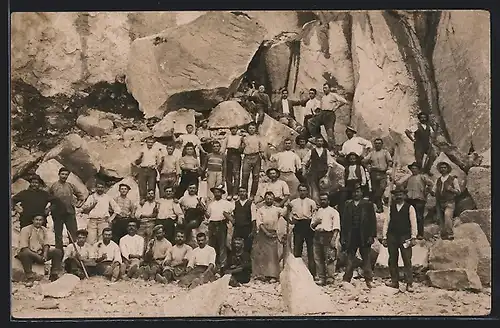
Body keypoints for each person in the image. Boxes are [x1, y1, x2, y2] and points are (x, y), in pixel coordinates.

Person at [340, 183, 377, 289]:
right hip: (351, 235)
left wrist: (371, 236)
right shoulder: (348, 205)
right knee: (350, 258)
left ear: (361, 193)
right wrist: (344, 237)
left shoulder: (368, 204)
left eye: (358, 191)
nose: (356, 194)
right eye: (354, 192)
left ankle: (369, 280)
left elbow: (372, 221)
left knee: (366, 258)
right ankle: (346, 279)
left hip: (364, 235)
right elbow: (344, 222)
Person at [381, 187, 418, 292]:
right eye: (396, 195)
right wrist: (384, 237)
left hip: (405, 236)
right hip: (392, 236)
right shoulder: (391, 207)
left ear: (404, 196)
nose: (398, 196)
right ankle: (394, 281)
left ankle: (409, 283)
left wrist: (413, 236)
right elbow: (386, 222)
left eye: (400, 194)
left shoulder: (410, 207)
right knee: (392, 259)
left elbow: (413, 223)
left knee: (407, 259)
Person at [48, 167, 86, 251]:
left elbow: (81, 196)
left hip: (69, 212)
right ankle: (59, 252)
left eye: (66, 175)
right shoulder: (54, 186)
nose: (64, 176)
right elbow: (47, 197)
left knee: (73, 233)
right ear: (59, 174)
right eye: (62, 174)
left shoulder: (70, 185)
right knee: (58, 234)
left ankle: (73, 251)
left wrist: (78, 205)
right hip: (57, 213)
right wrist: (49, 209)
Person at [252, 191, 286, 283]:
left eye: (271, 199)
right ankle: (262, 275)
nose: (269, 200)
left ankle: (272, 275)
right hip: (263, 233)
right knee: (262, 254)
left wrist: (289, 207)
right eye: (267, 198)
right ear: (265, 199)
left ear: (273, 199)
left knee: (272, 255)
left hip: (273, 233)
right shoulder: (260, 210)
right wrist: (266, 232)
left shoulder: (277, 209)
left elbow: (285, 213)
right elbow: (259, 223)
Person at [17, 215, 63, 282]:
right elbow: (24, 247)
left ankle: (54, 274)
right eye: (36, 220)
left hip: (39, 252)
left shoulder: (44, 229)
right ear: (33, 220)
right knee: (25, 254)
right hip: (29, 253)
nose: (38, 222)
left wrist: (45, 253)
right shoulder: (25, 229)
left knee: (57, 251)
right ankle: (30, 277)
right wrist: (37, 256)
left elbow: (46, 243)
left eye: (40, 220)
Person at [307, 83, 349, 149]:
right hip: (322, 113)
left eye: (326, 88)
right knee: (311, 122)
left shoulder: (333, 95)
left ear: (329, 88)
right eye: (323, 88)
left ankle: (332, 149)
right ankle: (319, 139)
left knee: (330, 133)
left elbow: (344, 101)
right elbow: (321, 107)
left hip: (329, 115)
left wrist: (335, 107)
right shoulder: (323, 97)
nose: (324, 89)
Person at [311, 193, 340, 286]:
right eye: (321, 199)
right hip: (317, 235)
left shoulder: (333, 212)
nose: (323, 201)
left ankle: (330, 278)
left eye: (324, 199)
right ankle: (321, 278)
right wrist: (316, 222)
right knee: (318, 258)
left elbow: (336, 227)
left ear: (328, 201)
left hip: (328, 235)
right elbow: (311, 225)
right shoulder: (317, 211)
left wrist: (333, 239)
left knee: (330, 257)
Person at [287, 184, 317, 276]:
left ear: (307, 191)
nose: (302, 192)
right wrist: (291, 221)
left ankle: (312, 274)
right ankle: (298, 274)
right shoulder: (293, 202)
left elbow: (315, 215)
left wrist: (313, 224)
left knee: (311, 250)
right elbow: (287, 214)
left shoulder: (311, 202)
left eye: (304, 190)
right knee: (297, 250)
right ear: (298, 191)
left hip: (309, 225)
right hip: (298, 224)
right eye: (300, 190)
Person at [204, 185, 234, 274]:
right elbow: (208, 216)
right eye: (215, 192)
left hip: (221, 224)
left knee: (222, 246)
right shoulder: (211, 204)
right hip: (212, 225)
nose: (217, 194)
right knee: (212, 246)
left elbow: (231, 214)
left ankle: (222, 266)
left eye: (218, 192)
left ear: (222, 193)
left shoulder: (227, 203)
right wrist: (204, 210)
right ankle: (213, 266)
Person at [81, 180, 121, 245]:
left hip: (103, 221)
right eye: (98, 187)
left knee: (102, 241)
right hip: (92, 221)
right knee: (91, 240)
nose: (100, 189)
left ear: (104, 188)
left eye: (102, 187)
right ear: (96, 188)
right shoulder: (91, 197)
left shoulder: (107, 197)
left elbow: (117, 208)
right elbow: (84, 209)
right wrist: (92, 205)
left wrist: (111, 218)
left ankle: (101, 254)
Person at [429, 161, 461, 240]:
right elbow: (434, 191)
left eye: (444, 168)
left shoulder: (453, 179)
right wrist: (430, 191)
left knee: (447, 216)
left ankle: (450, 234)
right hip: (439, 202)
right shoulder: (438, 180)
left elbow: (458, 192)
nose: (443, 169)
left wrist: (451, 189)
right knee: (440, 219)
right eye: (441, 168)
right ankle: (443, 235)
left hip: (449, 202)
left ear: (448, 169)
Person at [401, 162, 434, 239]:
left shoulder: (422, 177)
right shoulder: (409, 178)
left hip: (419, 199)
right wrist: (405, 193)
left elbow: (431, 183)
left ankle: (420, 234)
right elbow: (402, 185)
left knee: (419, 217)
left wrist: (427, 191)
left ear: (418, 170)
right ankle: (411, 233)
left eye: (415, 168)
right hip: (409, 199)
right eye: (412, 168)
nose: (413, 170)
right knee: (409, 217)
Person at [301, 136, 337, 203]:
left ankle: (323, 206)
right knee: (314, 193)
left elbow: (330, 163)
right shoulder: (311, 151)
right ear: (315, 142)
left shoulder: (326, 151)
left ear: (323, 142)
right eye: (318, 141)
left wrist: (327, 174)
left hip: (323, 174)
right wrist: (304, 170)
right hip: (313, 174)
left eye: (321, 141)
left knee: (324, 192)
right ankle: (316, 206)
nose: (319, 143)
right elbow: (304, 161)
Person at [363, 138, 393, 213]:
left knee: (381, 189)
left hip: (383, 173)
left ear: (382, 144)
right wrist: (368, 168)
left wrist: (388, 168)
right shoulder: (372, 153)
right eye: (376, 143)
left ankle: (375, 202)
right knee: (375, 190)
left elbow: (390, 161)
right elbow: (364, 161)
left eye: (379, 143)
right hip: (374, 173)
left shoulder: (385, 152)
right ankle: (380, 207)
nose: (377, 145)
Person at [241, 122, 265, 200]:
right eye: (250, 128)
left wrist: (263, 157)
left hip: (256, 157)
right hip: (247, 157)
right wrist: (242, 143)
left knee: (255, 177)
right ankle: (244, 194)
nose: (251, 130)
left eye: (253, 128)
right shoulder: (244, 137)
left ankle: (252, 195)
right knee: (245, 176)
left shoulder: (258, 137)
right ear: (248, 129)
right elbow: (240, 149)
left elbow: (261, 149)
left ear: (255, 129)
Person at [134, 136, 162, 202]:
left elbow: (159, 162)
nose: (150, 144)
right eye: (148, 142)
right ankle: (143, 201)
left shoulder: (156, 151)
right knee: (142, 187)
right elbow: (136, 162)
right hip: (142, 169)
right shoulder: (141, 150)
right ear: (146, 142)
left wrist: (155, 166)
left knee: (151, 187)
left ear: (153, 143)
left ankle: (151, 202)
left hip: (151, 170)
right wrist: (140, 157)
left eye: (151, 142)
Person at [232, 186, 257, 253]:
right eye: (240, 191)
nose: (242, 193)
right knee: (236, 247)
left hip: (247, 229)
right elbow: (230, 214)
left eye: (243, 191)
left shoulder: (251, 204)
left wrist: (253, 230)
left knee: (247, 247)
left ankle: (246, 263)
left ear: (246, 193)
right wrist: (233, 221)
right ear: (238, 193)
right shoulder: (235, 203)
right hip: (237, 229)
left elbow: (253, 218)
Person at [222, 125, 244, 200]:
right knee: (229, 175)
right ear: (230, 130)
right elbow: (223, 147)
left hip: (237, 154)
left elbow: (243, 146)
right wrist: (222, 155)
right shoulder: (227, 137)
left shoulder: (240, 137)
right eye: (232, 129)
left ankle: (235, 192)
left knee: (236, 175)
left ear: (237, 129)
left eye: (235, 129)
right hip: (229, 154)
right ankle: (230, 193)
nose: (233, 130)